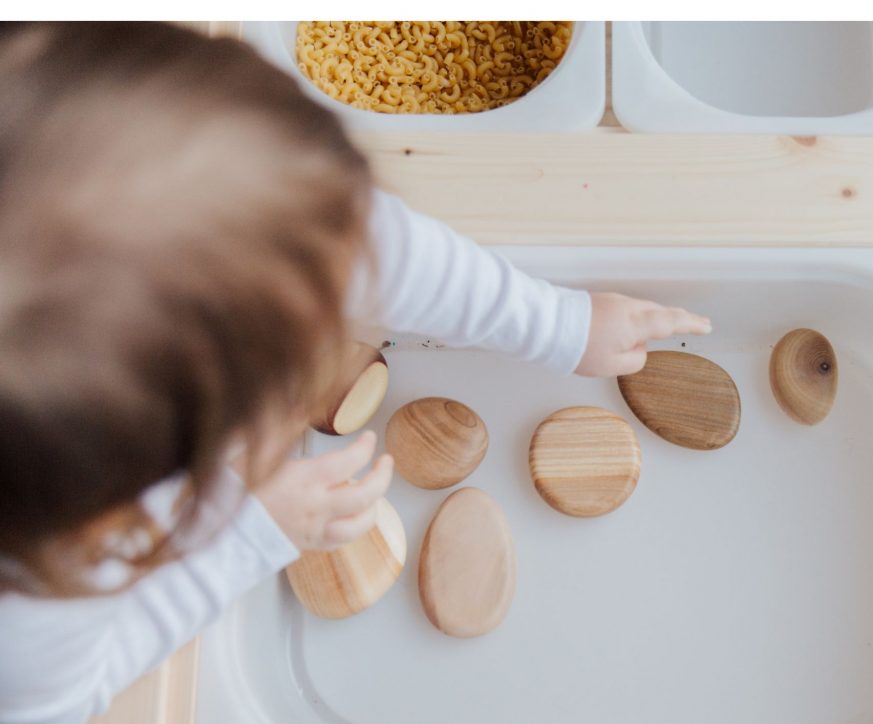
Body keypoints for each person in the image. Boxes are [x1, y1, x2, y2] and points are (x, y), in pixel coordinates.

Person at [0, 22, 711, 723]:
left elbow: (369, 247)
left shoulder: (175, 181)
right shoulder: (36, 604)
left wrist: (558, 324)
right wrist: (251, 533)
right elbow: (64, 699)